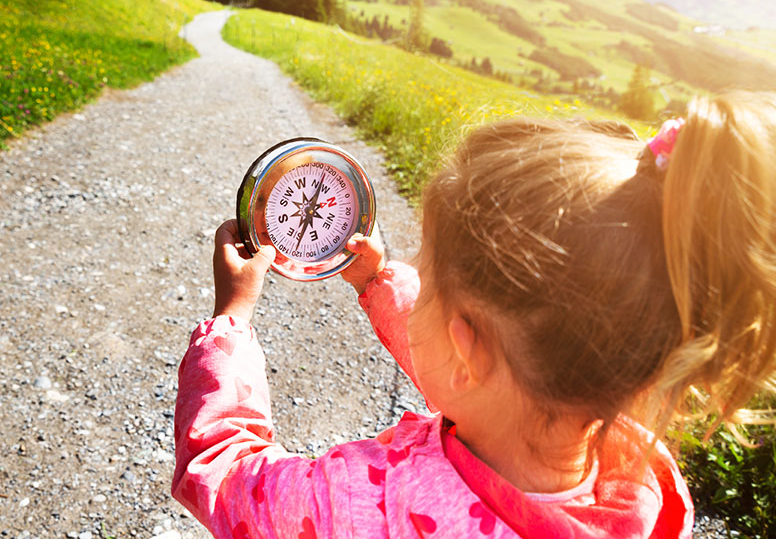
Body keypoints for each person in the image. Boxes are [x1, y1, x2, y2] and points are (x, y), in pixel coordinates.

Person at [172, 91, 776, 538]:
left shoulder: (365, 503)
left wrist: (231, 322)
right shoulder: (641, 483)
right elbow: (492, 365)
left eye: (425, 275)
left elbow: (223, 473)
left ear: (466, 350)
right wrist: (378, 281)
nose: (415, 279)